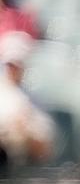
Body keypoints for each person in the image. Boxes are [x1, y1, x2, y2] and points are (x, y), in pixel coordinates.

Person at [0, 31, 55, 175]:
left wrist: (23, 131)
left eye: (16, 65)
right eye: (9, 65)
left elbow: (44, 148)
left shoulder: (33, 100)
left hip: (15, 164)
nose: (12, 70)